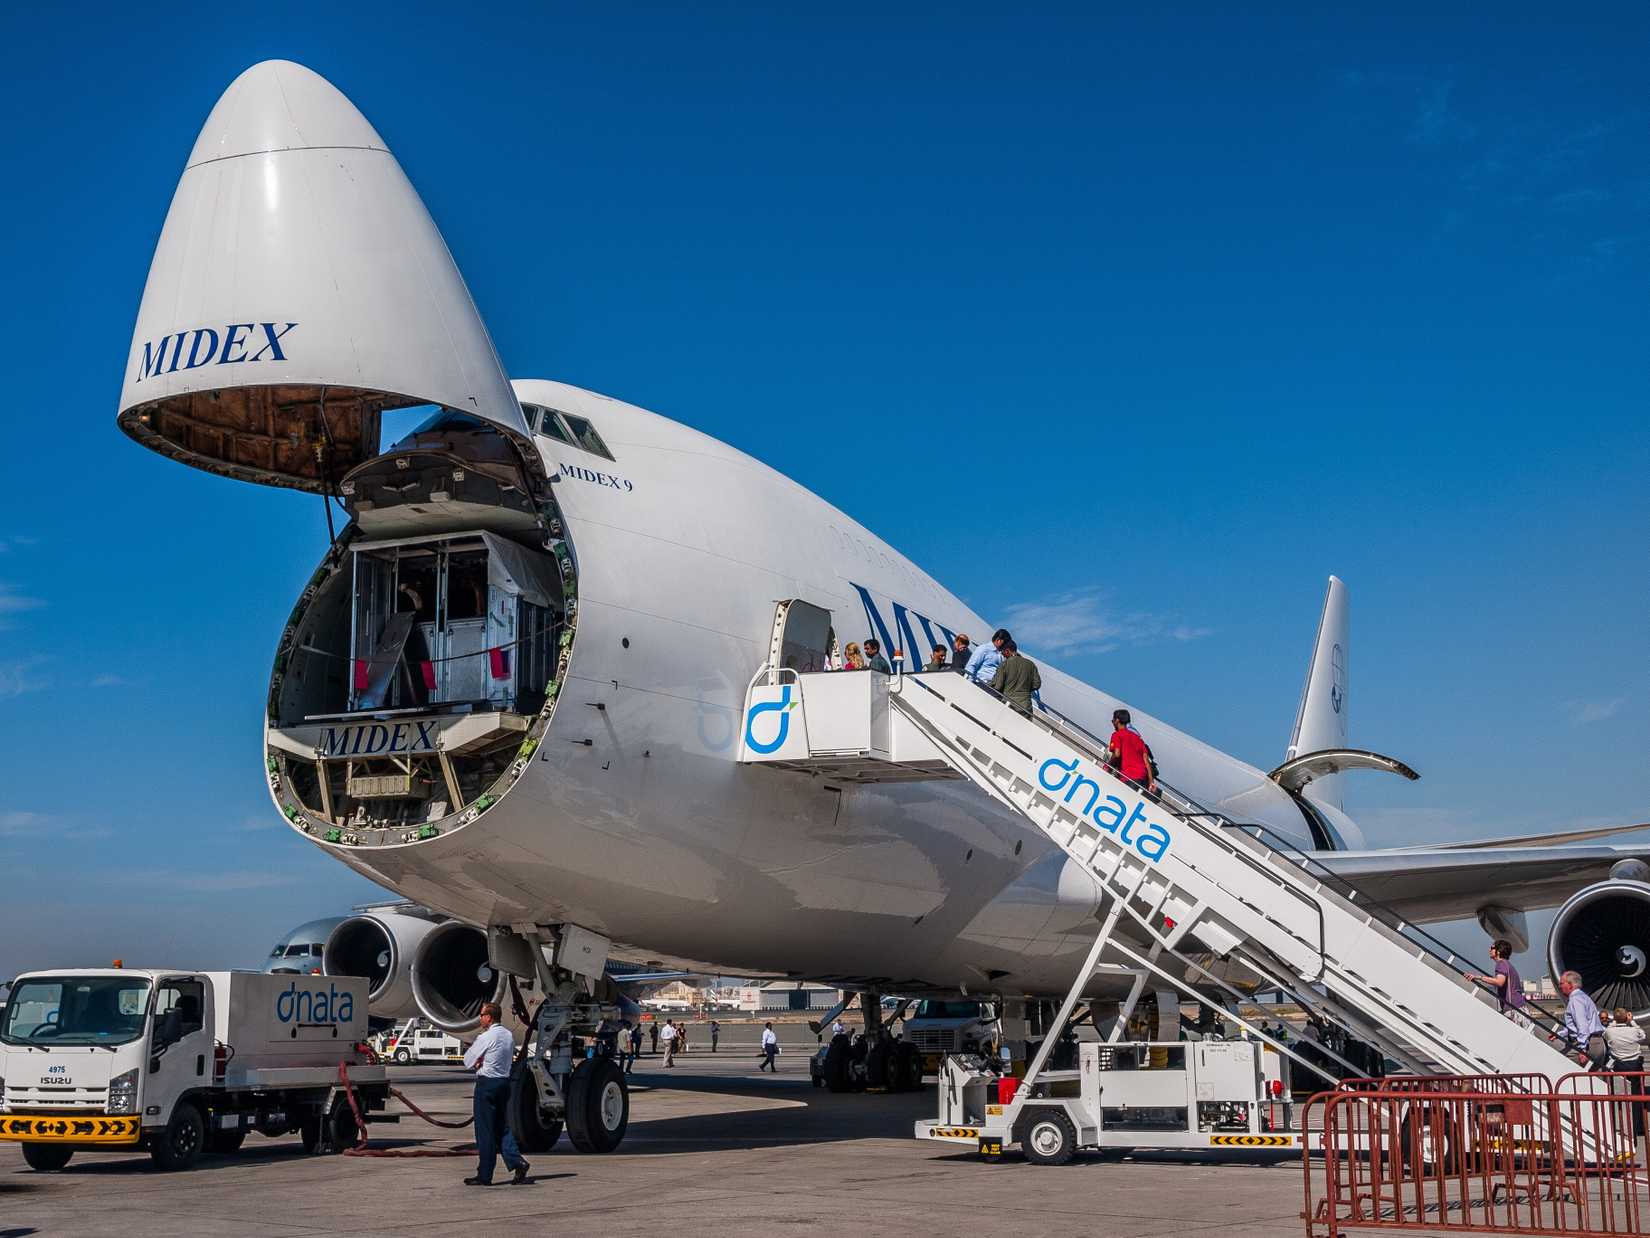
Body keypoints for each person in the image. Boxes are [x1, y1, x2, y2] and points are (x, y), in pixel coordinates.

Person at [461, 1001, 529, 1186]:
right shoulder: (508, 1035)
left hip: (487, 1085)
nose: (480, 1018)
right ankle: (517, 1162)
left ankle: (485, 1174)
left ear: (489, 1017)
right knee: (502, 1127)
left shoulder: (486, 1037)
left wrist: (478, 1061)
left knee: (485, 1131)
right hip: (504, 1084)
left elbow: (467, 1061)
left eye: (482, 1015)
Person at [1465, 940, 1529, 1022]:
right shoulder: (1507, 964)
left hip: (1514, 1010)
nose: (1489, 950)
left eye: (1492, 948)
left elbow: (1499, 982)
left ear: (1498, 951)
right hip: (1519, 1008)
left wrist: (1480, 977)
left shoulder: (1501, 963)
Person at [1558, 970, 1608, 1070]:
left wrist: (1582, 1049)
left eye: (1562, 983)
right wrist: (1562, 1033)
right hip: (1598, 1043)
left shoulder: (1575, 1000)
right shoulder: (1584, 997)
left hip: (1588, 1045)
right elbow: (1583, 1023)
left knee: (1559, 1066)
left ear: (1571, 985)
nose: (1560, 986)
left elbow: (1582, 1026)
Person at [1106, 709, 1159, 797]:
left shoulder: (1117, 735)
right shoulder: (1138, 739)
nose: (1112, 722)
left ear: (1117, 721)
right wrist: (1151, 782)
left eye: (1113, 720)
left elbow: (1117, 754)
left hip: (1128, 776)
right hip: (1142, 779)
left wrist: (1107, 766)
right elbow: (1146, 762)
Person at [990, 639, 1041, 716]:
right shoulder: (1031, 664)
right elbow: (1037, 684)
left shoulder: (1005, 664)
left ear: (1007, 651)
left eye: (1002, 652)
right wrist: (1025, 689)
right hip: (1025, 706)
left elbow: (998, 686)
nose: (1002, 655)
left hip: (1008, 704)